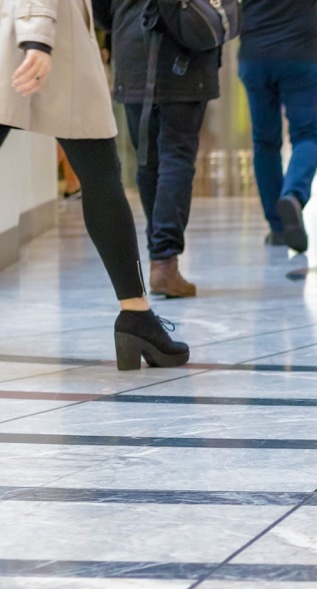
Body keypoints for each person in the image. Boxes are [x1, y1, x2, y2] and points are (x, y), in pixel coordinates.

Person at [0, 0, 188, 370]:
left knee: (101, 172)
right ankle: (137, 315)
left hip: (39, 35)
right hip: (41, 40)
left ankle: (137, 315)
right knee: (102, 174)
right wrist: (37, 39)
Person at [94, 0, 220, 299]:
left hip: (132, 53)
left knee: (148, 161)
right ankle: (164, 261)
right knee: (176, 158)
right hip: (185, 57)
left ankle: (161, 259)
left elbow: (100, 10)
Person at [239, 0, 317, 252]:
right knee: (306, 135)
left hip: (254, 55)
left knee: (265, 142)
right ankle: (294, 195)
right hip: (300, 55)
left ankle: (278, 228)